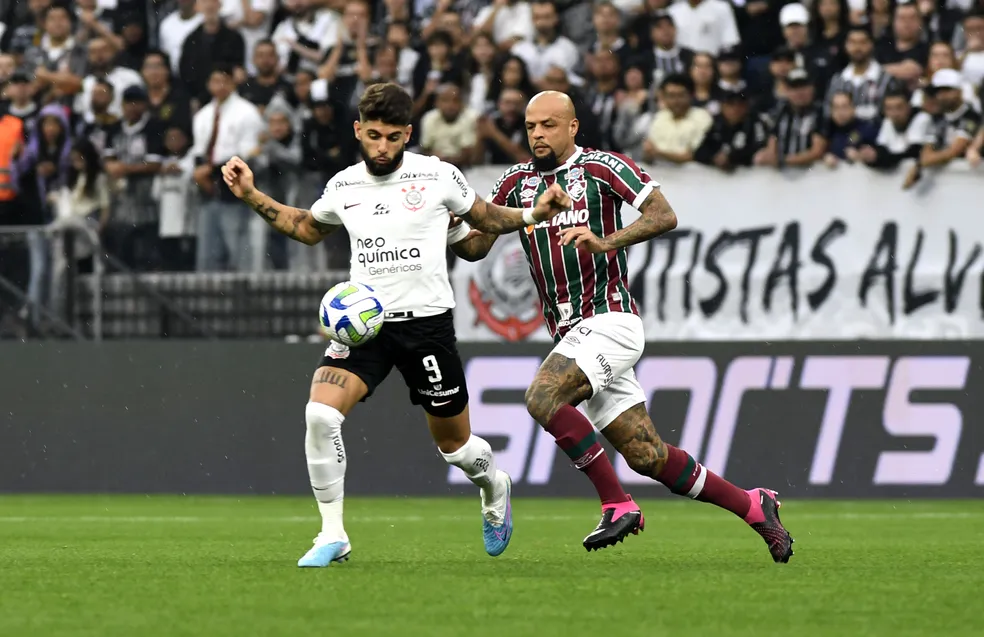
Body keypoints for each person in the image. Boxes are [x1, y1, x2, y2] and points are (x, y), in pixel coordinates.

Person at [219, 82, 571, 567]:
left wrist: (533, 212)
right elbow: (305, 228)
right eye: (374, 136)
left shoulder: (437, 176)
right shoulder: (344, 185)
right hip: (364, 327)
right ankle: (332, 534)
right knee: (320, 415)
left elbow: (484, 217)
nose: (382, 147)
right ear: (358, 130)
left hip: (427, 327)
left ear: (407, 134)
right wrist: (250, 193)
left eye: (392, 137)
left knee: (455, 447)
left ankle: (494, 484)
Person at [449, 91, 795, 562]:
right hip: (572, 335)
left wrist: (605, 241)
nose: (537, 134)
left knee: (542, 397)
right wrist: (448, 225)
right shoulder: (514, 184)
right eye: (531, 126)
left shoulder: (602, 168)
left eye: (548, 125)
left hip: (611, 320)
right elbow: (475, 249)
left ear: (572, 127)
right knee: (646, 455)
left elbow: (663, 215)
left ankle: (616, 503)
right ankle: (755, 506)